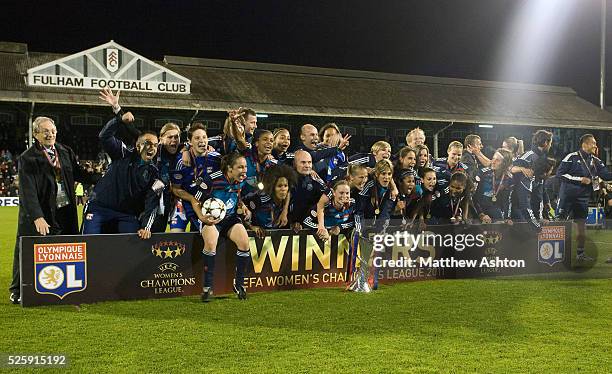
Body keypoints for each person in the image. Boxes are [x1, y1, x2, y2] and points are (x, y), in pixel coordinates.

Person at [9, 116, 98, 304]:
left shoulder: (65, 151)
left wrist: (102, 178)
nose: (50, 134)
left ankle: (67, 285)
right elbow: (27, 191)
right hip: (42, 212)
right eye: (46, 131)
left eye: (53, 131)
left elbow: (79, 173)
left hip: (65, 210)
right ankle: (17, 290)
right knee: (25, 250)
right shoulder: (27, 158)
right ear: (36, 134)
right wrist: (37, 217)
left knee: (67, 247)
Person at [82, 109, 162, 239]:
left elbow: (152, 202)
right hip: (99, 208)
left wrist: (146, 226)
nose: (152, 147)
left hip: (127, 215)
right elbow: (104, 136)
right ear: (137, 146)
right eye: (147, 143)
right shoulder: (123, 153)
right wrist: (118, 120)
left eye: (155, 145)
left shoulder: (156, 175)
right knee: (89, 243)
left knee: (132, 246)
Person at [191, 152, 251, 301]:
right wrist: (201, 217)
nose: (244, 170)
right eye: (240, 167)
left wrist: (242, 205)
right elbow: (194, 199)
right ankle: (207, 287)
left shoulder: (241, 180)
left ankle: (239, 284)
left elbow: (236, 195)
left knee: (244, 243)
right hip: (211, 219)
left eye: (245, 167)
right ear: (230, 169)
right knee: (211, 244)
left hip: (230, 217)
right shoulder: (211, 179)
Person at [556, 134, 612, 261]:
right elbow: (559, 174)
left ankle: (580, 254)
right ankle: (557, 254)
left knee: (581, 226)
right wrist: (580, 179)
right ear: (584, 144)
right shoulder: (571, 157)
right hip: (567, 196)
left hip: (582, 198)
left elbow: (606, 175)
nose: (595, 146)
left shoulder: (596, 161)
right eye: (593, 143)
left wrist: (601, 187)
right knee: (560, 223)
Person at [169, 123, 222, 232]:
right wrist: (192, 199)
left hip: (205, 204)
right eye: (197, 138)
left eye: (204, 137)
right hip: (184, 203)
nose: (202, 140)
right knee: (177, 238)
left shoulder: (217, 159)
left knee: (201, 238)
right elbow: (175, 188)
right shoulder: (180, 161)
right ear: (190, 142)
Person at [244, 165, 297, 238]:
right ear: (272, 187)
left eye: (285, 186)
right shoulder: (259, 199)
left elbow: (291, 221)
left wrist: (294, 224)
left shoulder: (289, 203)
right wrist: (251, 227)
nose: (283, 189)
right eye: (279, 186)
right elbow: (242, 214)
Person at [289, 150, 330, 230]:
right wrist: (292, 221)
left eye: (309, 162)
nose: (307, 165)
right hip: (287, 224)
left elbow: (327, 194)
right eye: (303, 162)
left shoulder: (315, 179)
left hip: (310, 224)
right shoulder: (287, 180)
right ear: (294, 164)